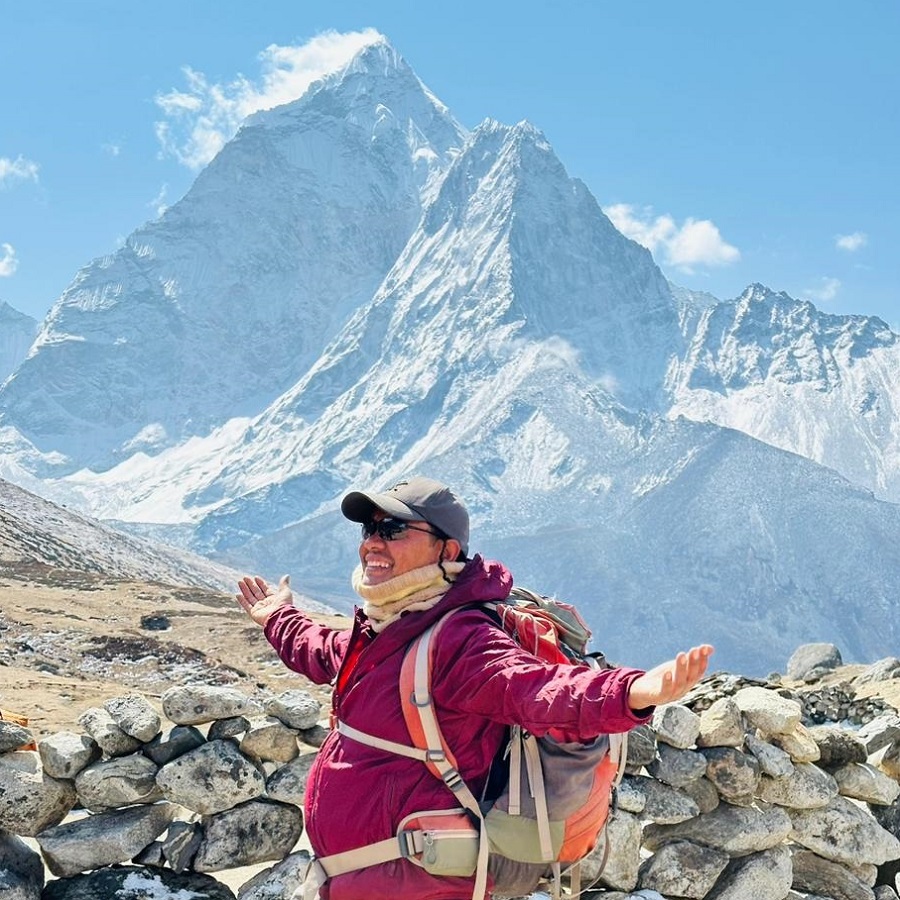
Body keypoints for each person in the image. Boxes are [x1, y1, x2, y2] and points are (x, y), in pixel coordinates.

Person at [236, 476, 713, 900]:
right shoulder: (392, 627)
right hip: (368, 879)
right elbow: (324, 651)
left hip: (419, 884)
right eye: (370, 529)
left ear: (447, 551)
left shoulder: (459, 639)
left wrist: (633, 692)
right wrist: (278, 617)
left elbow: (537, 689)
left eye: (394, 529)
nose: (373, 544)